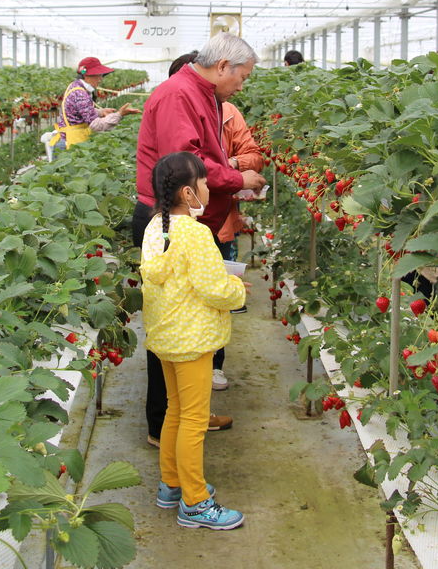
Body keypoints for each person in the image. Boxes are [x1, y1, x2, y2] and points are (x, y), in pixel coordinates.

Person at [134, 33, 265, 446]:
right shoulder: (179, 95)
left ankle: (188, 412)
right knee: (172, 325)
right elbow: (184, 167)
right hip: (170, 220)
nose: (242, 85)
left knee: (184, 323)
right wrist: (237, 179)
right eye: (242, 76)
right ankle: (164, 426)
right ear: (223, 65)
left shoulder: (203, 94)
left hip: (187, 220)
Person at [141, 151, 246, 530]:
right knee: (195, 421)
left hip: (166, 337)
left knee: (174, 411)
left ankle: (171, 485)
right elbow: (214, 289)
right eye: (203, 183)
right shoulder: (196, 234)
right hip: (193, 339)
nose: (207, 187)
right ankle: (196, 502)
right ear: (188, 192)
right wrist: (237, 288)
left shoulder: (157, 228)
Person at [166, 51, 264, 389]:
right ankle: (188, 374)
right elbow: (185, 167)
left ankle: (212, 365)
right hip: (192, 222)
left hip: (218, 221)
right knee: (192, 300)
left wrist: (230, 167)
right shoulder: (178, 105)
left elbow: (253, 155)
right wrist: (229, 175)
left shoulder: (228, 112)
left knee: (216, 299)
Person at [51, 57, 139, 150]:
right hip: (68, 142)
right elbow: (96, 126)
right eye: (99, 75)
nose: (101, 79)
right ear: (87, 76)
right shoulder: (80, 94)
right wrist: (119, 114)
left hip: (67, 139)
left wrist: (100, 112)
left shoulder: (75, 86)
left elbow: (79, 111)